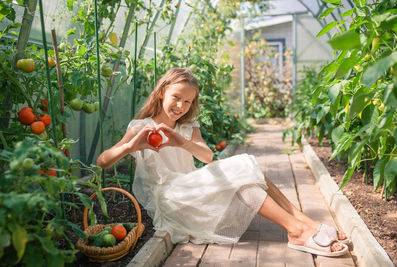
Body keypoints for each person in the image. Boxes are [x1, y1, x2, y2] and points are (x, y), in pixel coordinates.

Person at [96, 68, 349, 257]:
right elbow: (102, 161)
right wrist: (131, 146)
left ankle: (305, 224)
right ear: (162, 92)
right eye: (176, 97)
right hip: (173, 197)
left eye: (187, 102)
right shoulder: (142, 128)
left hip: (192, 185)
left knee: (249, 168)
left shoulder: (187, 127)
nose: (181, 106)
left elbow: (206, 157)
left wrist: (180, 142)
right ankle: (297, 231)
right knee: (244, 181)